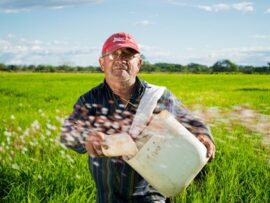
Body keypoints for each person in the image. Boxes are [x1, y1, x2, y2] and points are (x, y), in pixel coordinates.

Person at [61, 32, 215, 203]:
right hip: (108, 197)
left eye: (128, 54)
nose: (120, 59)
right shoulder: (90, 100)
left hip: (152, 195)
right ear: (102, 63)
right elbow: (68, 132)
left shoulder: (158, 97)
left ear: (138, 63)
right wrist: (86, 137)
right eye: (113, 54)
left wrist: (204, 135)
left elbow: (192, 121)